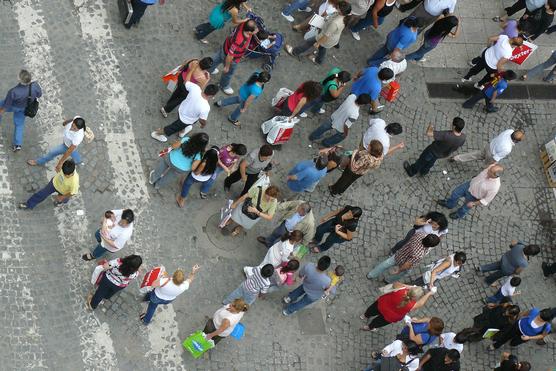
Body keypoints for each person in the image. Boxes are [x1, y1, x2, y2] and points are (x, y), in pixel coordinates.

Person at [285, 2, 352, 64]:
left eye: (338, 7)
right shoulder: (345, 16)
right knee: (322, 48)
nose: (336, 7)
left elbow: (326, 36)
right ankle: (319, 61)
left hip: (325, 38)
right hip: (332, 39)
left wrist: (318, 43)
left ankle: (294, 52)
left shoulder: (335, 23)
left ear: (341, 11)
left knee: (309, 42)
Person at [151, 84, 217, 143]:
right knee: (171, 128)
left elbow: (186, 82)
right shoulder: (206, 107)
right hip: (185, 120)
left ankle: (182, 132)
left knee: (182, 124)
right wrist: (203, 125)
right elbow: (202, 120)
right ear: (211, 96)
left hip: (181, 110)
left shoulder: (195, 88)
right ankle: (156, 133)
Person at [208, 20, 258, 95]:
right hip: (231, 58)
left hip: (225, 47)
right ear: (249, 32)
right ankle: (224, 85)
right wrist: (227, 67)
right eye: (255, 29)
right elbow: (230, 55)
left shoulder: (243, 24)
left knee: (217, 58)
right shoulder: (239, 41)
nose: (257, 29)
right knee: (228, 73)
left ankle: (208, 69)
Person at [437, 164, 503, 220]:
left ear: (496, 175)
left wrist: (474, 203)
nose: (487, 171)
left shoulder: (495, 187)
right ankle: (449, 204)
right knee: (455, 193)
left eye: (490, 171)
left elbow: (486, 200)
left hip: (474, 197)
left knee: (465, 208)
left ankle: (459, 214)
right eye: (489, 169)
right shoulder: (491, 167)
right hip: (469, 185)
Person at [367, 233, 441, 282]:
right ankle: (388, 280)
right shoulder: (419, 254)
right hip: (404, 262)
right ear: (430, 246)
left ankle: (371, 275)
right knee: (403, 273)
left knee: (385, 264)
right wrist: (399, 270)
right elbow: (408, 264)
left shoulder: (420, 234)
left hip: (400, 254)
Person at [360, 284, 435, 331]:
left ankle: (365, 316)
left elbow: (395, 284)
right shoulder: (412, 305)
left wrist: (409, 286)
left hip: (383, 304)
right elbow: (421, 303)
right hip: (390, 316)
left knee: (372, 310)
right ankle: (368, 327)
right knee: (378, 322)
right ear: (416, 298)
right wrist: (429, 293)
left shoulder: (401, 289)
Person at [0, 69, 42, 151]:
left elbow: (6, 105)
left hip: (14, 106)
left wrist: (1, 112)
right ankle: (17, 145)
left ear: (20, 80)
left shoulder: (13, 92)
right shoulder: (35, 86)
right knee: (19, 125)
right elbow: (39, 95)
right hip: (25, 108)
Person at [308, 94, 372, 146]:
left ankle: (313, 136)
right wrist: (345, 133)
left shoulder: (352, 96)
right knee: (342, 136)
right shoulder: (355, 113)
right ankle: (326, 143)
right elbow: (346, 125)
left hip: (334, 116)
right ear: (363, 104)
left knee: (323, 127)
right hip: (339, 125)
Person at [452, 129, 524, 164]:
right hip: (491, 155)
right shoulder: (508, 148)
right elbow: (495, 158)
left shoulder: (510, 131)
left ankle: (456, 158)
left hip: (489, 146)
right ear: (515, 141)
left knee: (474, 155)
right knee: (486, 168)